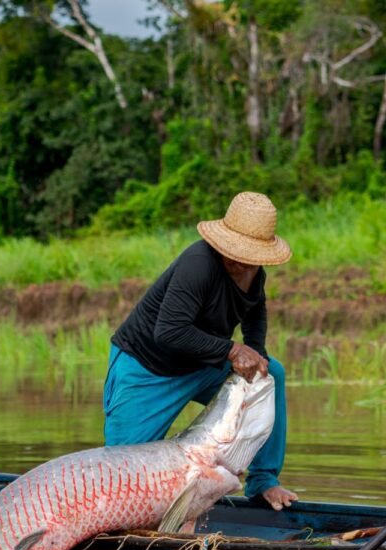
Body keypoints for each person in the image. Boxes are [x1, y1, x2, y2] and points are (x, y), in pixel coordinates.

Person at [103, 191, 298, 510]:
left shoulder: (254, 271)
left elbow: (255, 311)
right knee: (119, 480)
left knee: (270, 374)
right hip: (148, 368)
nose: (242, 263)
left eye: (251, 258)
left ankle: (264, 480)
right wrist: (234, 350)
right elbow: (168, 332)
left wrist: (255, 353)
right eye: (236, 255)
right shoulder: (198, 264)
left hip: (202, 362)